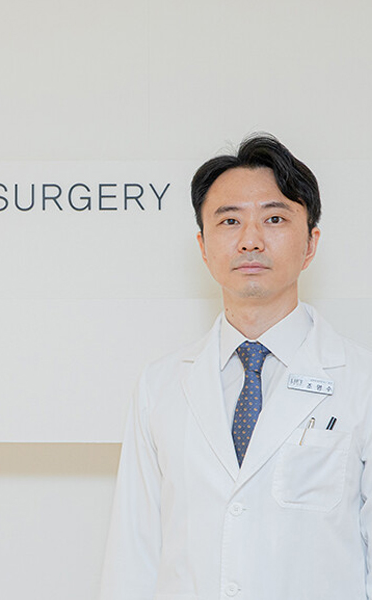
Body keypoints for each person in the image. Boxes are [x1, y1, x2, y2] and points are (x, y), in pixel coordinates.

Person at [99, 134, 372, 600]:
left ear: (311, 243)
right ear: (204, 247)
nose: (250, 240)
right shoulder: (159, 386)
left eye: (274, 218)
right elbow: (133, 556)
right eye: (230, 221)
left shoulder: (361, 382)